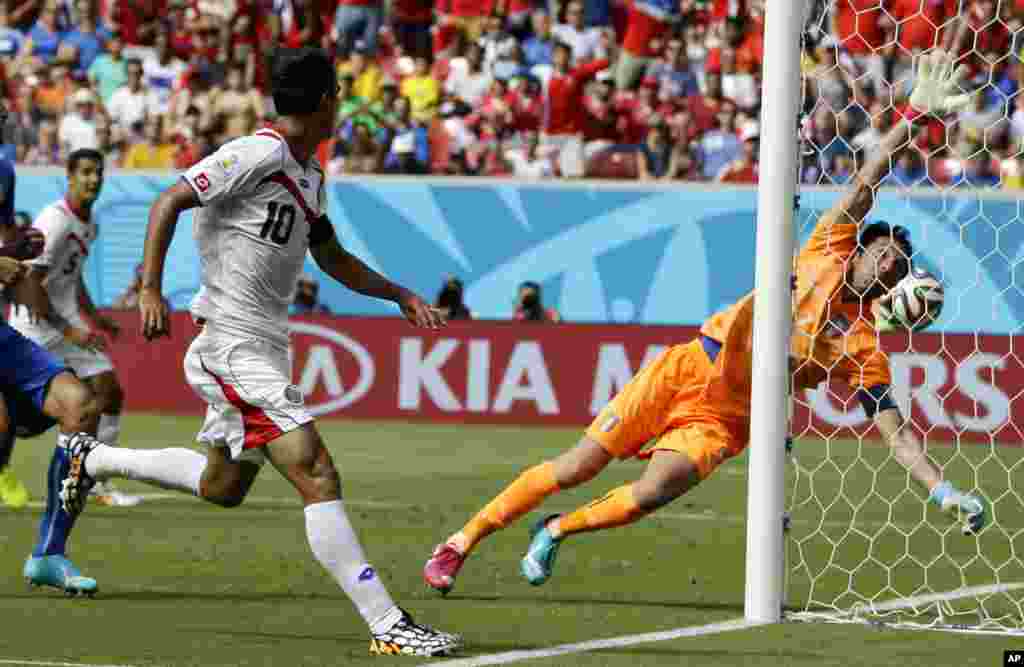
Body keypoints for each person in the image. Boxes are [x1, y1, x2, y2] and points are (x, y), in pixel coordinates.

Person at [423, 50, 988, 596]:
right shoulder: (829, 246)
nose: (888, 264)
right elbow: (867, 179)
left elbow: (896, 433)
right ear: (863, 249)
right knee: (577, 466)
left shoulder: (864, 347)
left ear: (896, 287)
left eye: (898, 266)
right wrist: (914, 117)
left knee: (653, 492)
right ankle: (461, 542)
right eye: (884, 251)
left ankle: (556, 529)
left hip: (729, 417)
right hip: (691, 367)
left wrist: (943, 492)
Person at [58, 47, 462, 658]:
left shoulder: (309, 175)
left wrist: (398, 294)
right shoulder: (255, 154)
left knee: (222, 485)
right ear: (323, 101)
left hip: (266, 346)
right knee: (316, 470)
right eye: (337, 94)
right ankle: (388, 624)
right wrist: (149, 289)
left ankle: (94, 459)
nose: (341, 104)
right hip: (231, 342)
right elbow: (169, 201)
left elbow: (332, 257)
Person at [0, 97, 112, 595]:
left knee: (82, 406)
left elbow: (12, 260)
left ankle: (49, 552)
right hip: (32, 329)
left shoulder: (4, 171)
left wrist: (14, 257)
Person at [9, 149, 142, 508]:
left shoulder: (89, 222)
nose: (93, 179)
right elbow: (30, 281)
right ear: (69, 176)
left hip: (66, 324)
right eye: (85, 172)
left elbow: (72, 274)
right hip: (35, 327)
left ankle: (94, 483)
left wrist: (95, 317)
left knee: (109, 392)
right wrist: (69, 330)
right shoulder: (54, 221)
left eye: (98, 172)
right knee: (17, 414)